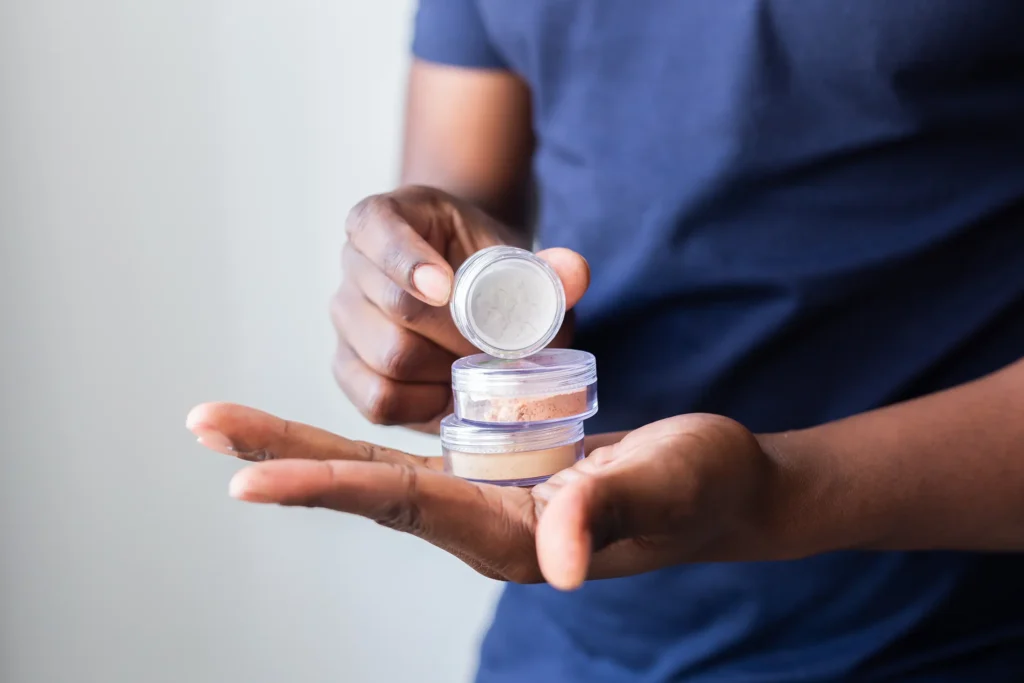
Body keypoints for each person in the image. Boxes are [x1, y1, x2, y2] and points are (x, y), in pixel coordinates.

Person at [187, 1, 1024, 680]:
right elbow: (456, 214)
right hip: (564, 636)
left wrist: (766, 491)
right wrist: (423, 319)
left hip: (948, 641)